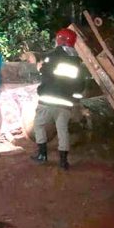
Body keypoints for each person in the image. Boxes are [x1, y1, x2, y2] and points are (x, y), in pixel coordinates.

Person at [32, 28, 86, 170]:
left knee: (39, 125)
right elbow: (80, 85)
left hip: (48, 100)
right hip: (66, 103)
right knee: (62, 130)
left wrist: (40, 67)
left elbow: (45, 73)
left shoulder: (53, 55)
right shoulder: (77, 62)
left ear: (60, 40)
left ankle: (42, 155)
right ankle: (63, 161)